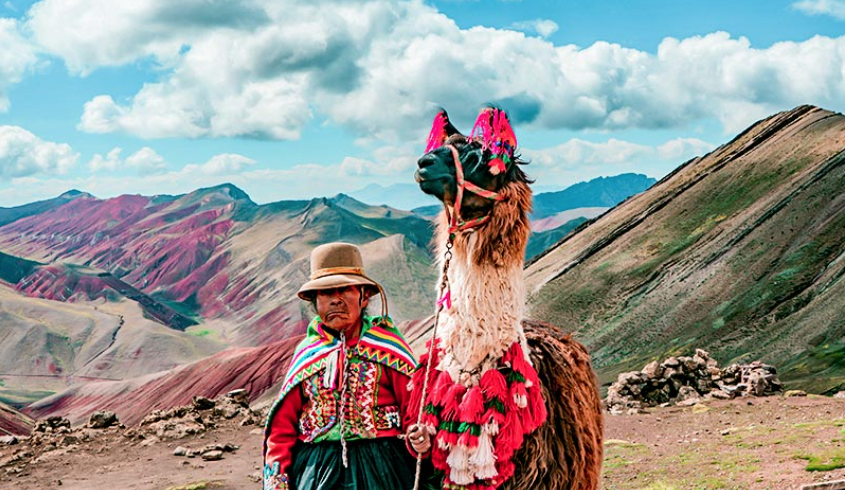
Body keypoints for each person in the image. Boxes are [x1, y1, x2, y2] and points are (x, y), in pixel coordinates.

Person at [263, 242, 419, 490]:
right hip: (316, 470)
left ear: (364, 296)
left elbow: (415, 408)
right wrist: (277, 479)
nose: (335, 300)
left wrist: (417, 435)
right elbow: (282, 428)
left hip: (383, 467)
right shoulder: (307, 354)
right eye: (325, 293)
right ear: (315, 302)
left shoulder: (389, 348)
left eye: (344, 289)